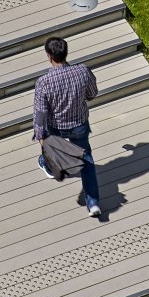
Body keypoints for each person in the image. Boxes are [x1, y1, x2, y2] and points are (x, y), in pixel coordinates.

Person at [33, 36, 102, 217]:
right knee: (87, 161)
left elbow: (40, 112)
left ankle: (49, 166)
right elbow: (92, 93)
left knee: (49, 147)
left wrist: (39, 135)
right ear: (66, 53)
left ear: (49, 56)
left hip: (55, 127)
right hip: (79, 124)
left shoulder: (43, 82)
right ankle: (93, 203)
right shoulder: (82, 71)